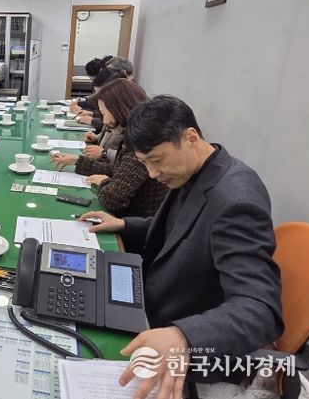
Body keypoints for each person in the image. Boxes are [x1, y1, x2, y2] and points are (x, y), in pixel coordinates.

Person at [81, 95, 283, 398]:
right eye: (145, 163)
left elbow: (260, 309)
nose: (152, 174)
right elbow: (183, 230)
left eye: (157, 160)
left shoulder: (237, 200)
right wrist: (124, 225)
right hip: (152, 307)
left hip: (189, 342)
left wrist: (184, 336)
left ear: (190, 137)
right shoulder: (195, 171)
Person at [52, 79, 168, 217]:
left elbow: (112, 200)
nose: (105, 122)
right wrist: (77, 160)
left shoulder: (140, 146)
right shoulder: (134, 138)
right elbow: (117, 170)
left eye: (105, 114)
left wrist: (103, 182)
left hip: (135, 222)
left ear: (120, 109)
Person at [69, 67, 126, 132]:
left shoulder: (127, 112)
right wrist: (92, 114)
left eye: (101, 96)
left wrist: (92, 120)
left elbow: (113, 125)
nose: (98, 99)